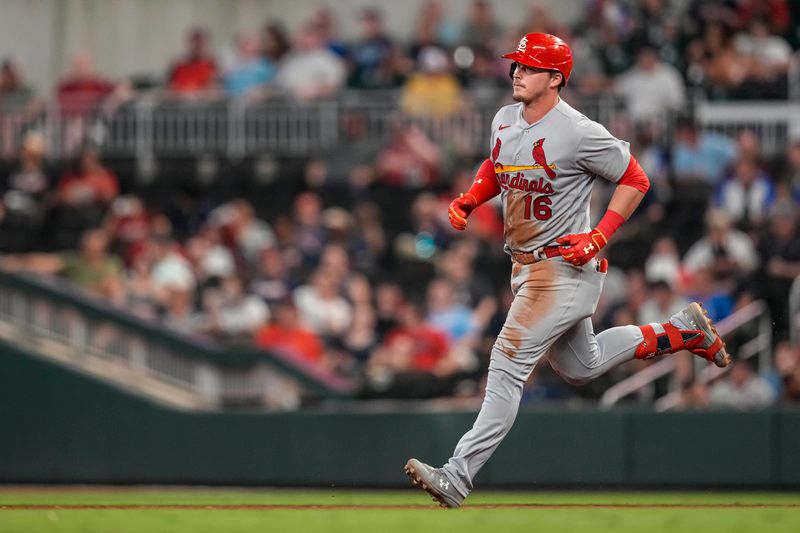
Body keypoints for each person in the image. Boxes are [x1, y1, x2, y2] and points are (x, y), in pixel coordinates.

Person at [404, 33, 730, 509]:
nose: (517, 72)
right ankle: (681, 332)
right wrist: (470, 199)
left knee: (506, 363)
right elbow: (498, 166)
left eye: (530, 67)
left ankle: (458, 473)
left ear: (556, 78)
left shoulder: (578, 130)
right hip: (527, 266)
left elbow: (636, 179)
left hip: (564, 265)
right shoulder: (504, 118)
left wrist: (599, 234)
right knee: (582, 364)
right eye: (517, 64)